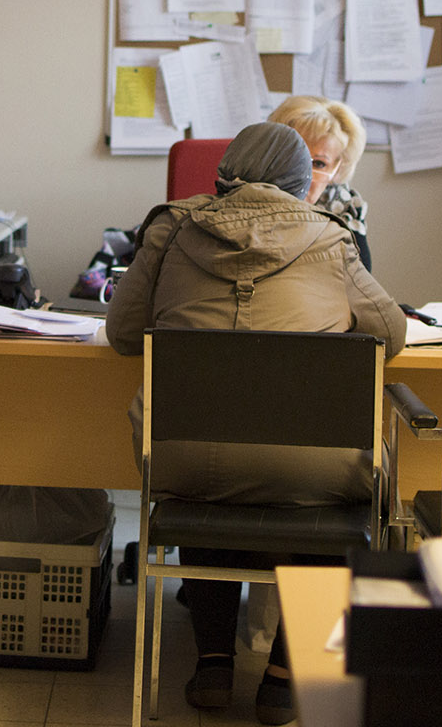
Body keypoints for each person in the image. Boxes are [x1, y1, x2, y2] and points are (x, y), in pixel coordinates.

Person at [105, 121, 406, 725]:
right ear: (303, 184)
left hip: (182, 462)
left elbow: (121, 332)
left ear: (220, 174)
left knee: (209, 447)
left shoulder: (169, 227)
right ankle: (284, 677)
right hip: (312, 469)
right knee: (328, 479)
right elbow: (391, 334)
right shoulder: (330, 236)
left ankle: (213, 663)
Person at [267, 95, 372, 270]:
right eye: (294, 157)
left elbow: (360, 290)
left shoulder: (346, 210)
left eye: (319, 164)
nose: (303, 173)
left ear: (337, 169)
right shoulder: (249, 198)